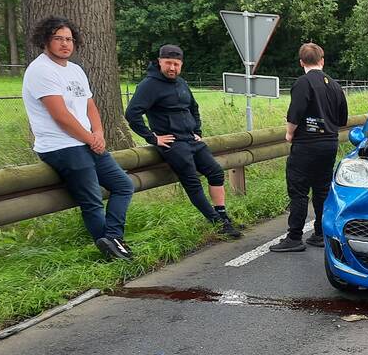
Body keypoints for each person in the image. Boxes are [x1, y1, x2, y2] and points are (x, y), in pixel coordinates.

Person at [23, 16, 135, 260]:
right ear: (45, 40)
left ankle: (112, 238)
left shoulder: (75, 70)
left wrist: (99, 133)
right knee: (92, 200)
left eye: (69, 39)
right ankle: (112, 254)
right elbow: (60, 115)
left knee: (124, 185)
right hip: (61, 146)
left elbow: (89, 105)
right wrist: (89, 138)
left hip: (86, 142)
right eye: (58, 39)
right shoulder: (40, 70)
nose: (65, 44)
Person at [125, 44, 241, 238]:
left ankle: (222, 215)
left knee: (215, 172)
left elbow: (193, 107)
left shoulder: (181, 83)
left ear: (181, 65)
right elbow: (132, 114)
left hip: (191, 139)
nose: (172, 68)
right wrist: (152, 138)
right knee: (192, 181)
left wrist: (197, 130)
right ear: (159, 61)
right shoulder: (149, 85)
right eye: (168, 63)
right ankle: (216, 222)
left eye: (176, 64)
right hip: (172, 143)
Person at [270, 42, 348, 253]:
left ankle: (294, 237)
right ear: (322, 61)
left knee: (299, 190)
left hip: (306, 144)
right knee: (322, 190)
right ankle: (320, 234)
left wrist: (289, 133)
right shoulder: (335, 85)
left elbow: (295, 113)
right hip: (329, 144)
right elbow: (342, 118)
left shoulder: (303, 83)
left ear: (301, 62)